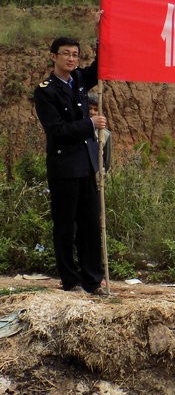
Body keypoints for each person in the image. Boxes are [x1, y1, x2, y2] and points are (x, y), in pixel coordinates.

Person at [33, 25, 106, 294]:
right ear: (53, 56)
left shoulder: (78, 79)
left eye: (75, 54)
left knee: (90, 223)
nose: (71, 59)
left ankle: (92, 279)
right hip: (64, 166)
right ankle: (70, 280)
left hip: (86, 164)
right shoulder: (46, 91)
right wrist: (90, 124)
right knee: (66, 226)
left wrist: (102, 33)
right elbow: (57, 130)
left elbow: (99, 68)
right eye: (65, 54)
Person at [88, 92, 111, 172]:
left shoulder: (105, 134)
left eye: (96, 110)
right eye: (89, 108)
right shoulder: (77, 129)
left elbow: (107, 161)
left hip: (97, 174)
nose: (92, 112)